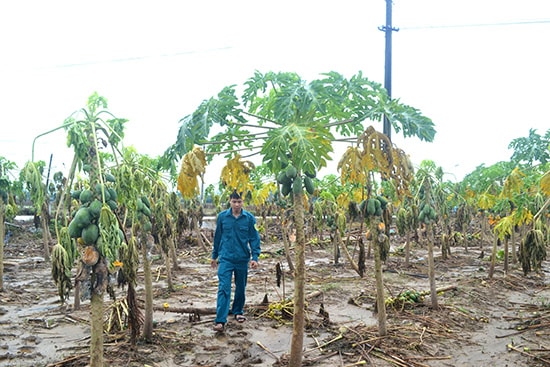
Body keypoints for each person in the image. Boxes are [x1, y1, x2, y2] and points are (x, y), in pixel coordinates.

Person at [211, 190, 261, 332]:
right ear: (230, 201)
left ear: (243, 202)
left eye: (239, 201)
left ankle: (238, 311)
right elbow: (217, 238)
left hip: (242, 258)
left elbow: (254, 238)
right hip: (225, 258)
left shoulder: (249, 218)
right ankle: (220, 320)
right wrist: (214, 256)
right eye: (234, 201)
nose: (237, 204)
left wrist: (255, 258)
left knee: (240, 287)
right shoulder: (222, 217)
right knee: (224, 288)